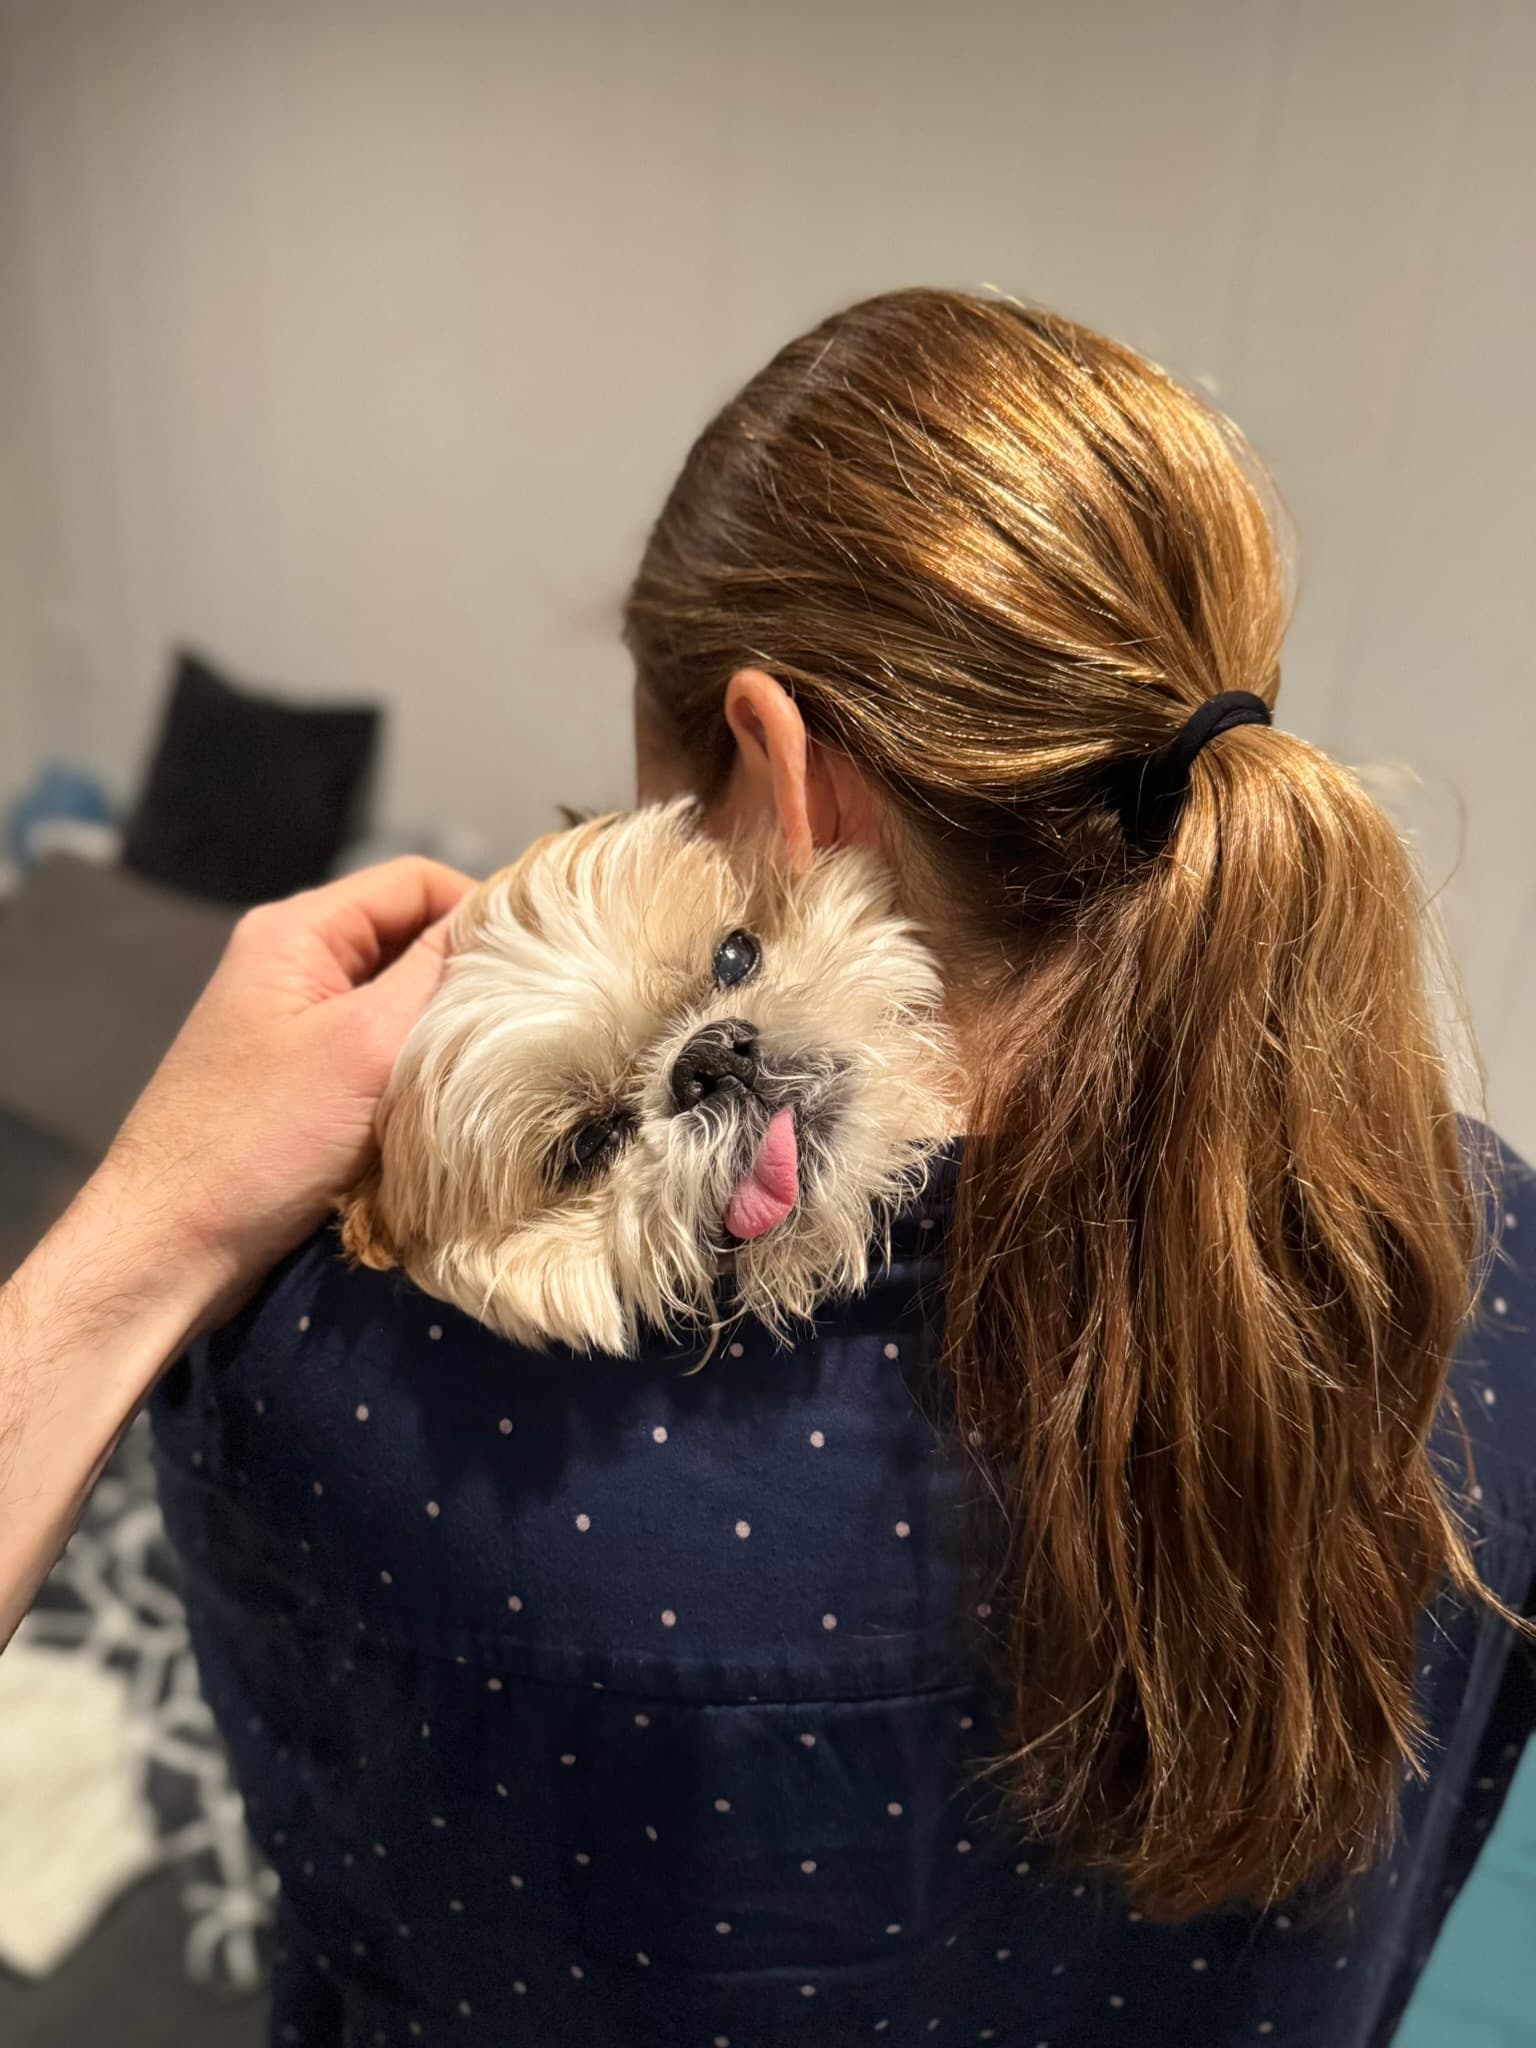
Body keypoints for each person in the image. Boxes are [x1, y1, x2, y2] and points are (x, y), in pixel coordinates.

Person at [4, 288, 1534, 2046]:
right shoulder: (1483, 1276)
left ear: (774, 771)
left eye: (719, 949)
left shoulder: (330, 1405)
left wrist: (147, 1223)